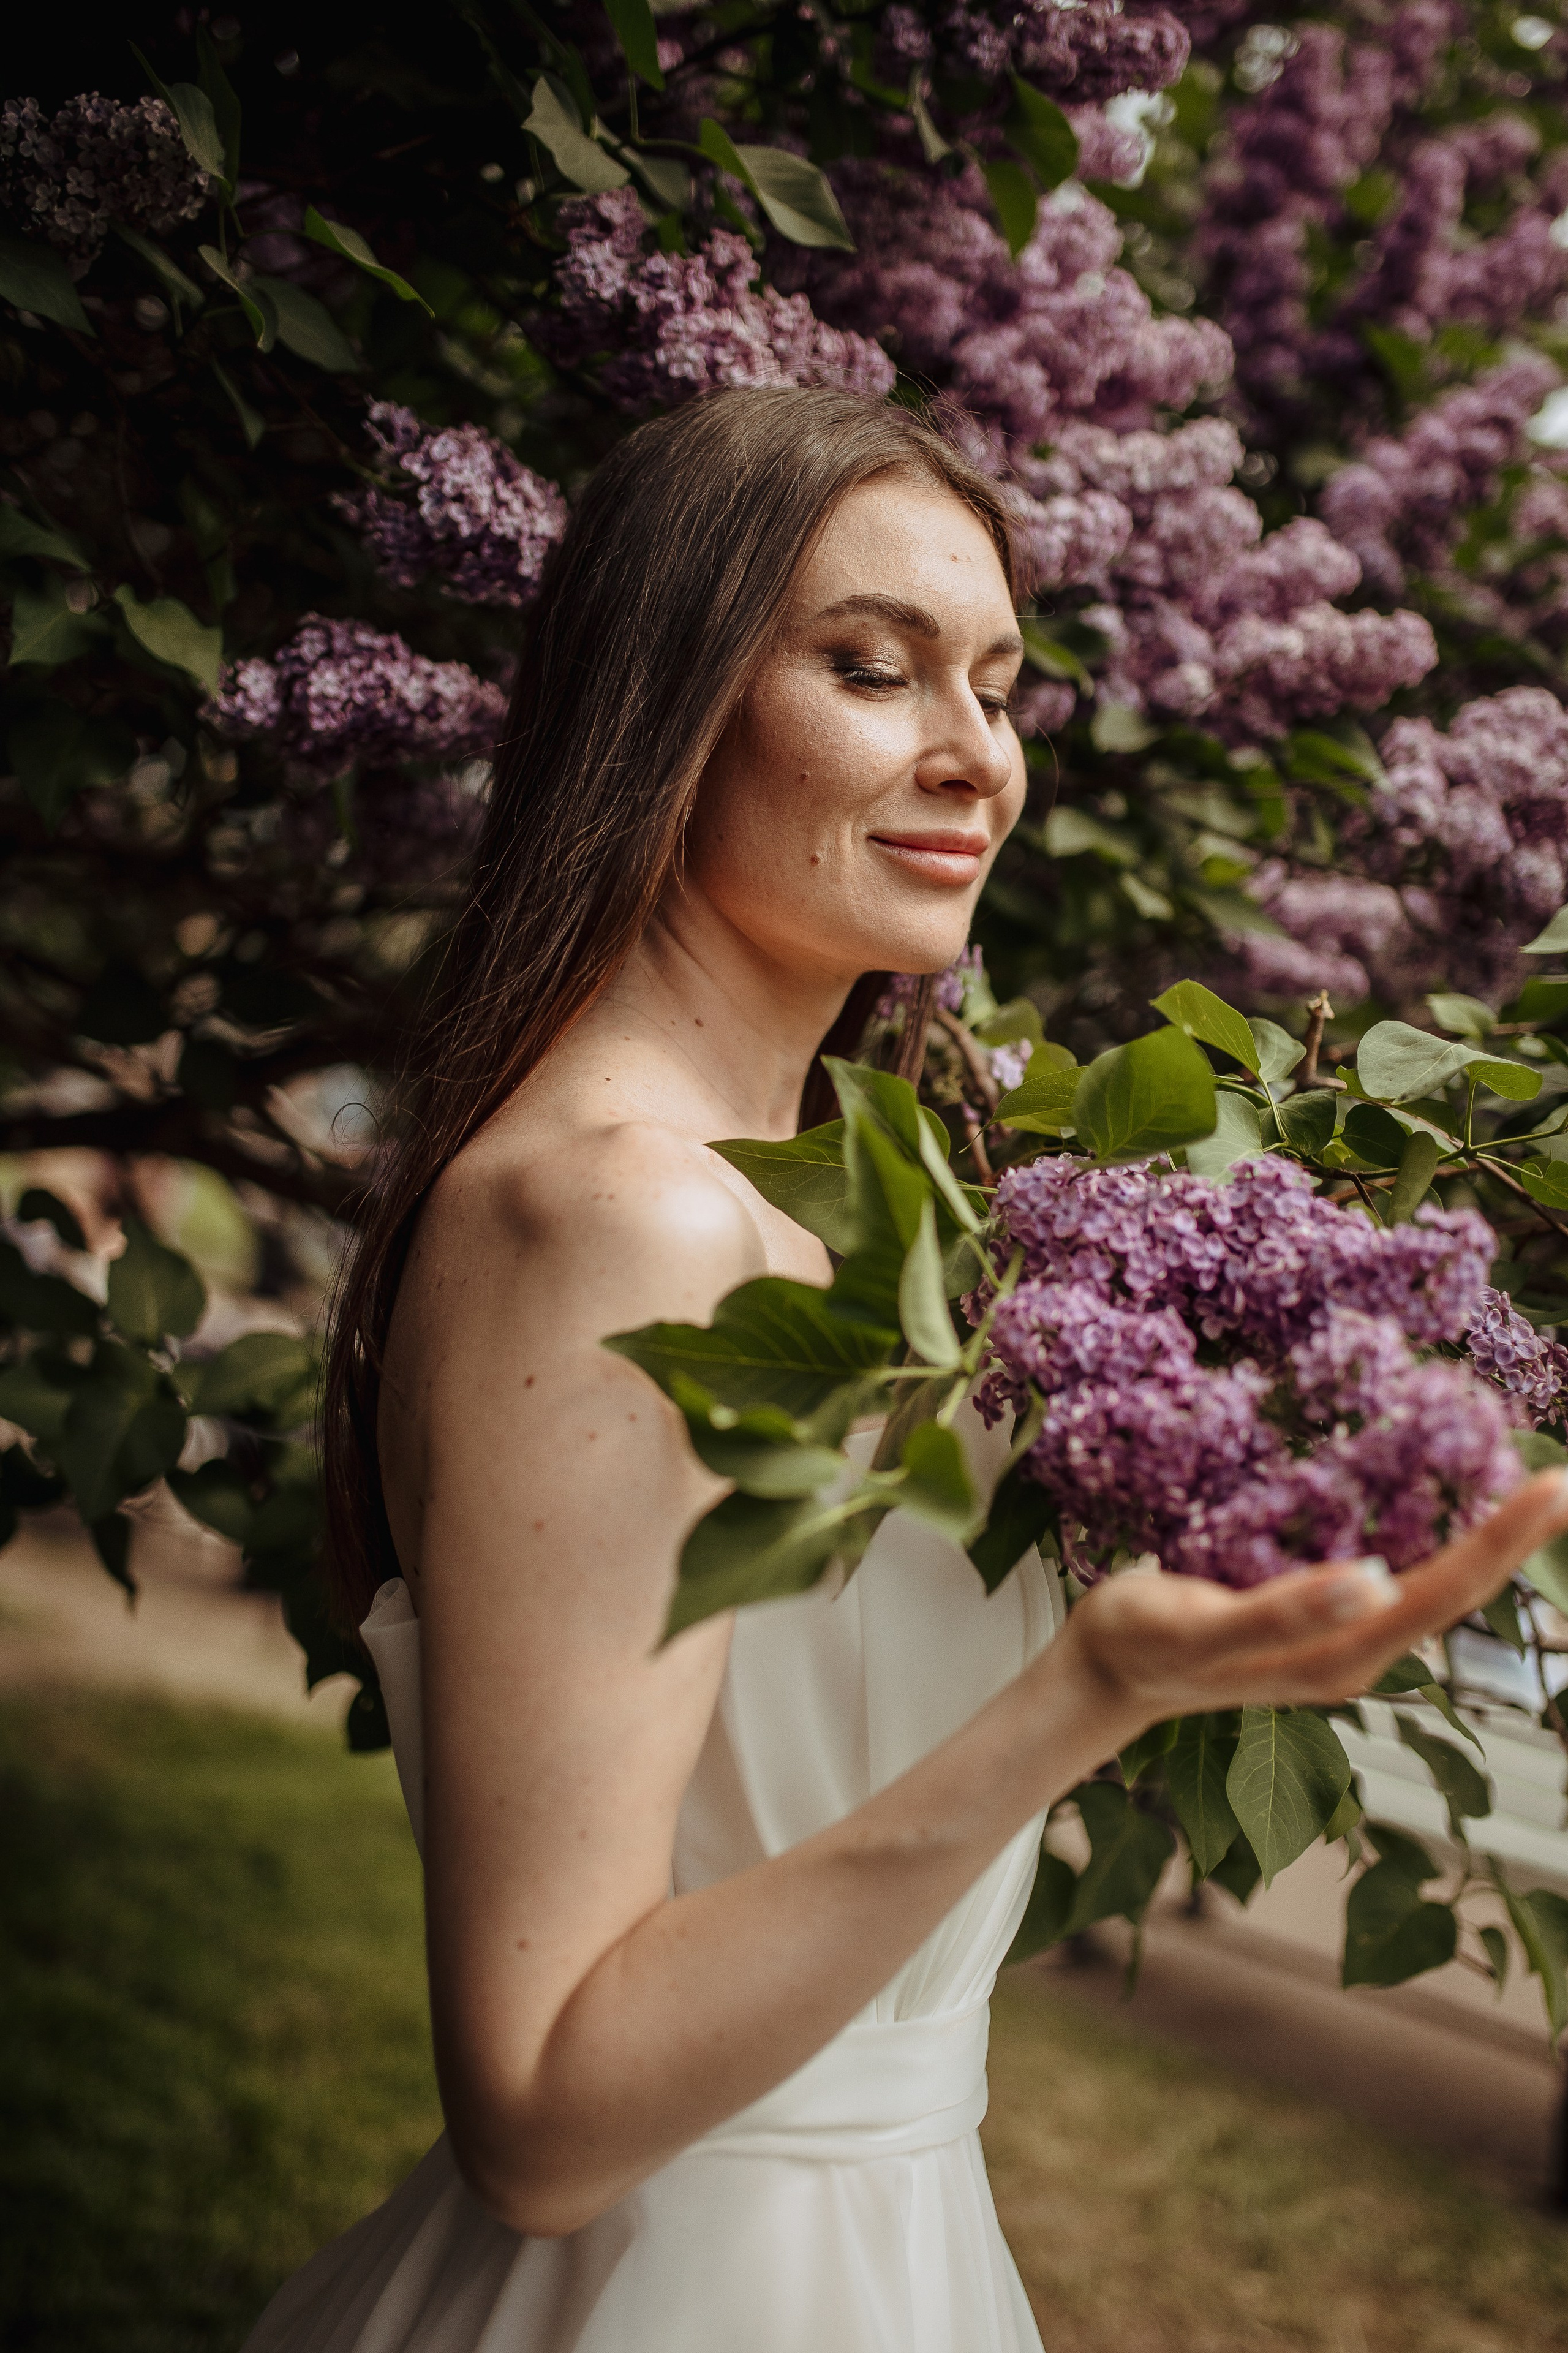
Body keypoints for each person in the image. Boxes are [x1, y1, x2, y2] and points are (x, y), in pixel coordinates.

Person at [244, 385, 1568, 2353]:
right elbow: (537, 2113)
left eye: (1004, 687)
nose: (977, 758)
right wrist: (1088, 1690)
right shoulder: (626, 1216)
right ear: (668, 704)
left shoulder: (867, 1205)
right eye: (873, 670)